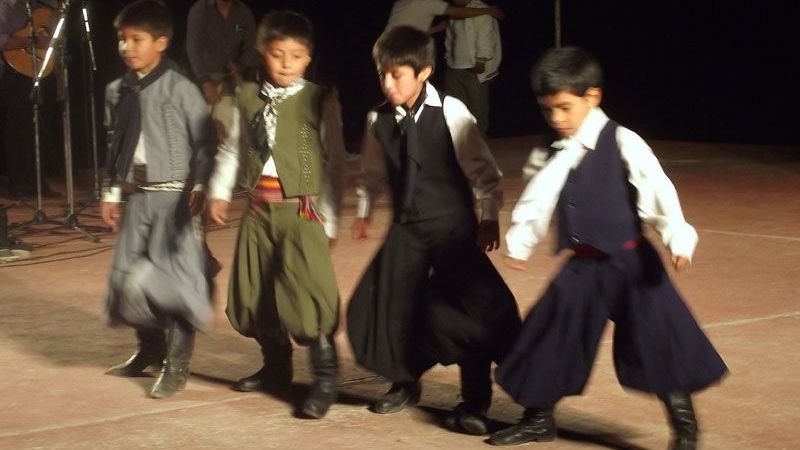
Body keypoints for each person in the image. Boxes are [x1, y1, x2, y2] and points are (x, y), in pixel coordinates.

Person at [488, 47, 727, 449]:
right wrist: (521, 241)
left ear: (592, 96)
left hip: (632, 263)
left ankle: (685, 431)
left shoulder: (624, 141)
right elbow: (538, 196)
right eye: (549, 111)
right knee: (550, 334)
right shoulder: (553, 148)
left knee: (661, 341)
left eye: (565, 108)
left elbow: (657, 190)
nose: (557, 119)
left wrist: (678, 238)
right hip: (584, 266)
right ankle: (538, 419)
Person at [348, 25, 520, 435]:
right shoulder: (378, 118)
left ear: (424, 71)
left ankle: (475, 401)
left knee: (472, 311)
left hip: (451, 229)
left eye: (397, 75)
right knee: (387, 304)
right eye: (382, 75)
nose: (388, 84)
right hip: (407, 229)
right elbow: (371, 173)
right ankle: (405, 382)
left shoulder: (453, 112)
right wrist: (366, 210)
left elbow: (484, 172)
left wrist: (490, 216)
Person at [206, 10, 345, 419]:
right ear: (262, 52)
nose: (286, 63)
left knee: (308, 297)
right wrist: (218, 192)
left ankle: (324, 379)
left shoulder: (319, 98)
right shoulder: (245, 93)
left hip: (301, 212)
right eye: (278, 54)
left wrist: (331, 218)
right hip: (259, 211)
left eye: (296, 56)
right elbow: (232, 148)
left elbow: (335, 162)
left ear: (309, 57)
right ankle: (276, 367)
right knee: (256, 294)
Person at [101, 0, 216, 400]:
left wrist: (200, 186)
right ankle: (148, 350)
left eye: (137, 39)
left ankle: (177, 365)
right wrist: (112, 192)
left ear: (162, 42)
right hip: (139, 196)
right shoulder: (118, 91)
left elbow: (205, 142)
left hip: (176, 198)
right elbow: (114, 146)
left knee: (172, 285)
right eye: (122, 40)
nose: (127, 47)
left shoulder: (180, 89)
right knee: (130, 281)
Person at [0, 0, 58, 199]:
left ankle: (37, 181)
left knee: (41, 125)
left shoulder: (41, 4)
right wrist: (29, 42)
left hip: (40, 69)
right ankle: (20, 184)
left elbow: (54, 29)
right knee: (19, 128)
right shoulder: (6, 5)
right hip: (14, 70)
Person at [443, 0, 501, 135]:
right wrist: (448, 56)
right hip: (454, 65)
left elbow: (485, 37)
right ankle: (458, 138)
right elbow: (450, 37)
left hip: (473, 67)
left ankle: (479, 138)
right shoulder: (454, 12)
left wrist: (481, 60)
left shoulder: (482, 9)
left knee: (477, 106)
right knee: (454, 105)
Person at [186, 0, 257, 105]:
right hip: (203, 75)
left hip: (232, 76)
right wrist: (205, 81)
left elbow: (251, 46)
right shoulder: (200, 9)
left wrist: (240, 65)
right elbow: (193, 49)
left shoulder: (243, 12)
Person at [385, 0, 504, 33]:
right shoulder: (426, 2)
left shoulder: (400, 2)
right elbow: (457, 12)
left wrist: (437, 29)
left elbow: (409, 29)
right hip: (400, 53)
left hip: (384, 49)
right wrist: (487, 10)